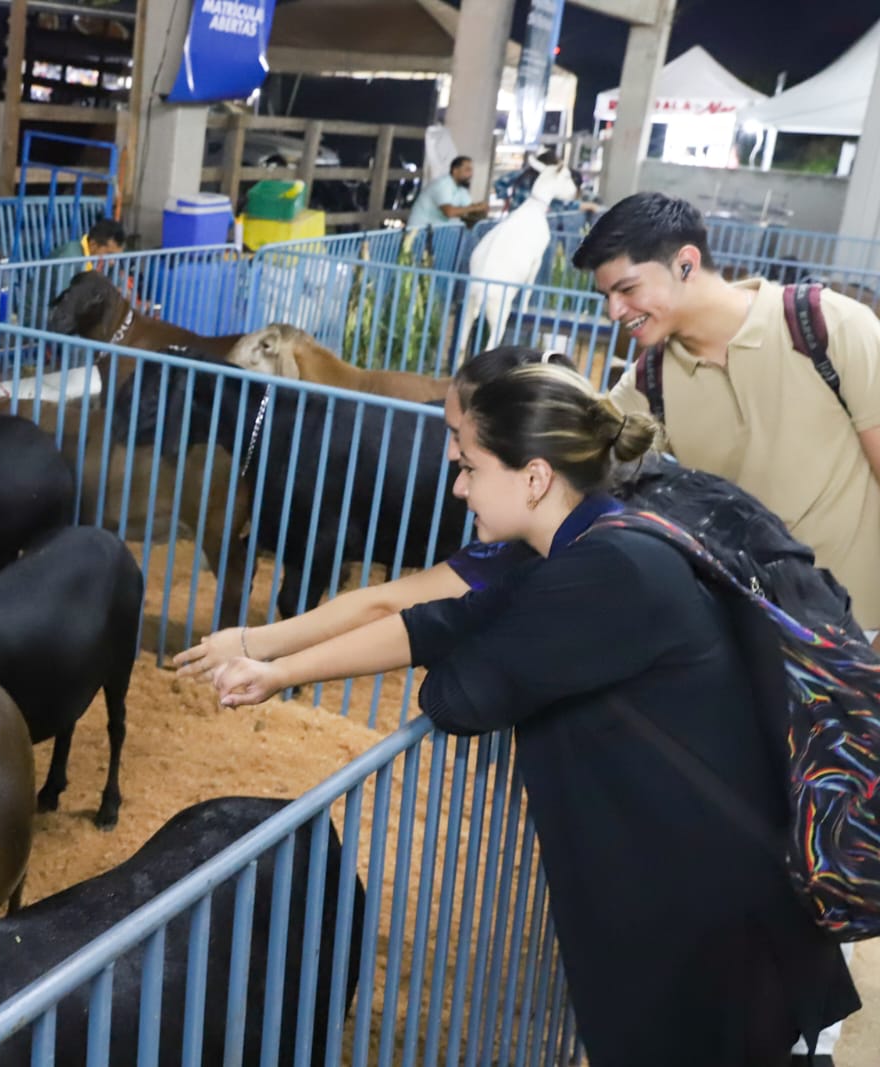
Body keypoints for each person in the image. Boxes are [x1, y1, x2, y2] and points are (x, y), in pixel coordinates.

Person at [200, 362, 859, 1067]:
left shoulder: (608, 570)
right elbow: (438, 622)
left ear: (535, 476)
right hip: (689, 883)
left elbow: (457, 697)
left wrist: (474, 644)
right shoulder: (588, 541)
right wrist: (277, 671)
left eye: (470, 467)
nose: (457, 488)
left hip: (712, 909)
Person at [175, 346, 864, 680]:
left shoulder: (598, 560)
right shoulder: (596, 510)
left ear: (531, 469)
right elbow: (389, 601)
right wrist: (258, 647)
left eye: (465, 454)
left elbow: (457, 683)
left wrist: (273, 663)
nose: (452, 476)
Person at [573, 192, 880, 646]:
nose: (614, 312)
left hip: (860, 632)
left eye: (628, 289)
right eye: (607, 296)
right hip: (751, 633)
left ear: (686, 264)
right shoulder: (649, 381)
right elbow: (579, 452)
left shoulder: (829, 327)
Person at [406, 155, 489, 231]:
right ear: (455, 170)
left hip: (437, 233)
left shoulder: (461, 189)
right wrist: (475, 208)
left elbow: (469, 209)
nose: (471, 174)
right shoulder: (443, 184)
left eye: (471, 170)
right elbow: (449, 212)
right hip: (418, 232)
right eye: (467, 170)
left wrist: (480, 208)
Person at [55, 217, 126, 266]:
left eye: (116, 257)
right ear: (93, 245)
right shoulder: (70, 258)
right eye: (109, 254)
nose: (112, 262)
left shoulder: (106, 262)